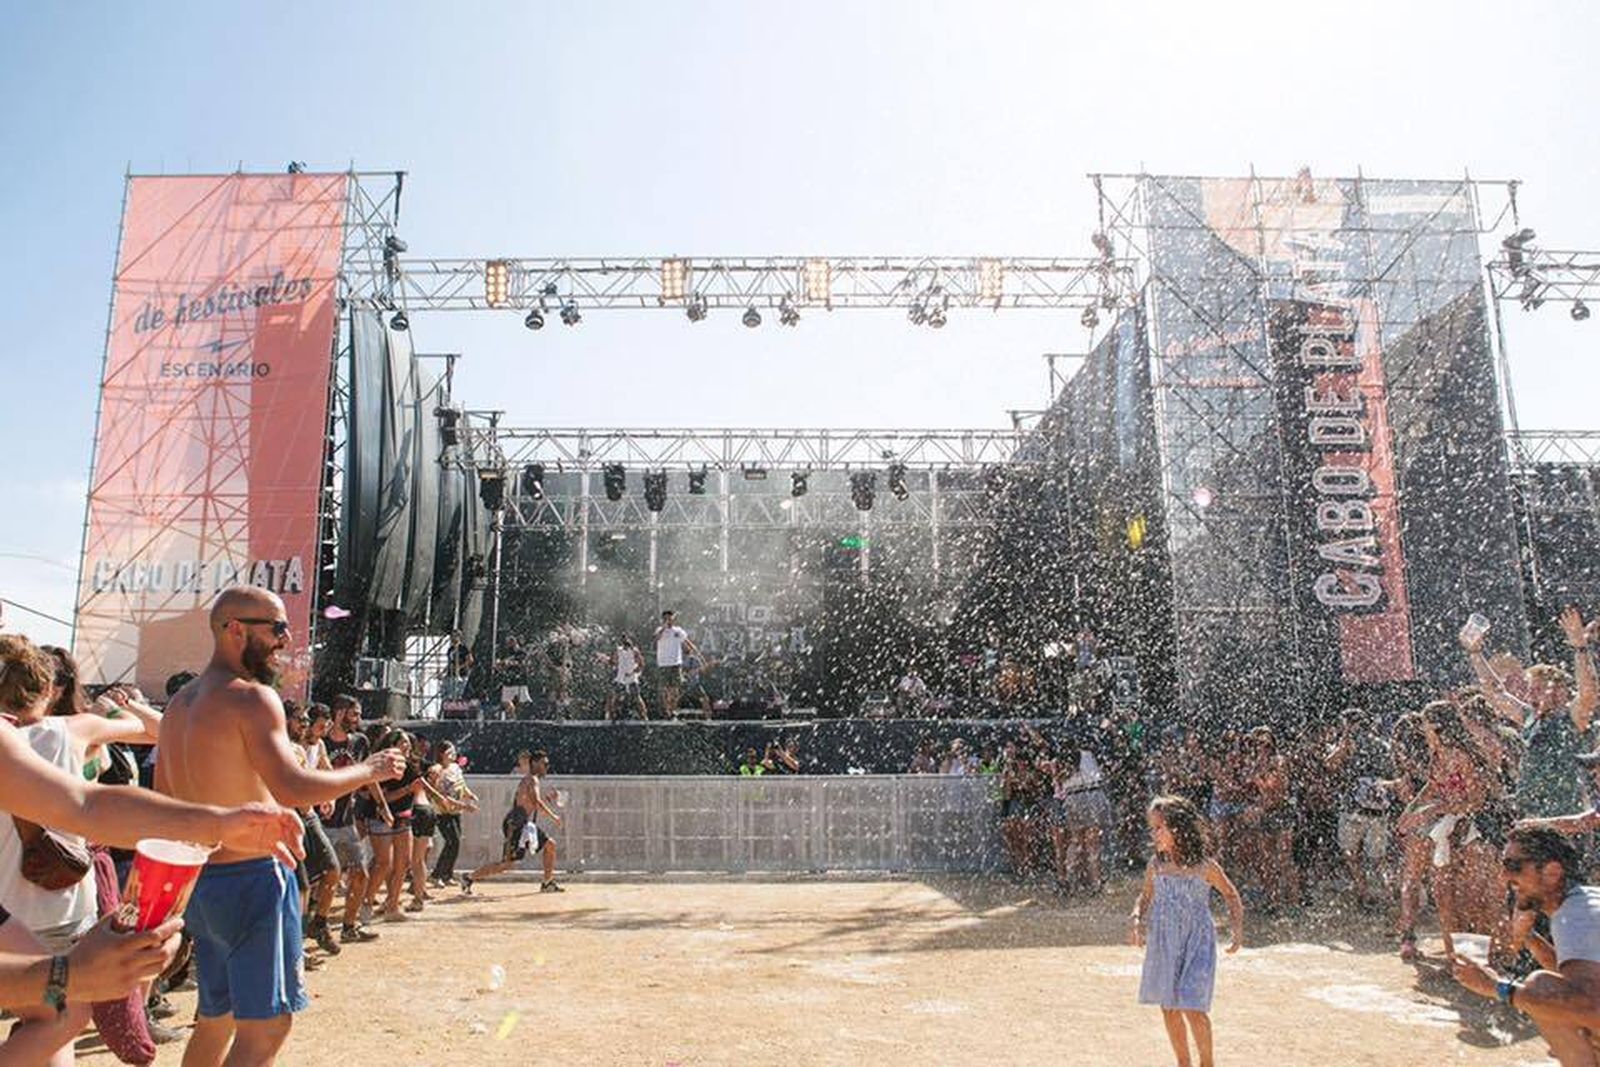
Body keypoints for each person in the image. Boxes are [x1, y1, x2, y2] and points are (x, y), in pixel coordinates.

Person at [0, 633, 305, 1065]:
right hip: (56, 909)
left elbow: (84, 805)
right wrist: (72, 973)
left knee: (60, 1007)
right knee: (62, 1001)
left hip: (28, 909)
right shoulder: (69, 728)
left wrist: (218, 823)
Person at [154, 586, 405, 1066]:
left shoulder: (180, 704)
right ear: (234, 629)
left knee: (216, 1020)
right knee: (267, 1029)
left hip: (201, 883)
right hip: (251, 881)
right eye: (277, 628)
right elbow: (292, 786)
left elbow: (170, 805)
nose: (287, 639)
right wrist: (369, 770)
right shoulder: (252, 699)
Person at [1451, 825, 1600, 1066]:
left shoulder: (1575, 916)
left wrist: (1497, 987)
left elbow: (1593, 1006)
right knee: (1547, 995)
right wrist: (1528, 937)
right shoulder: (1582, 904)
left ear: (1552, 872)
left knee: (1540, 988)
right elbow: (1577, 978)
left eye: (1514, 867)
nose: (1504, 876)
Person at [1131, 795, 1245, 1067]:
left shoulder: (1205, 867)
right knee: (1168, 1007)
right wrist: (1136, 918)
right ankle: (1184, 1063)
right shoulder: (1156, 866)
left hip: (1196, 943)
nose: (1154, 834)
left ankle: (1208, 1064)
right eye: (1153, 828)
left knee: (1193, 1007)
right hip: (1164, 942)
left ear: (1178, 829)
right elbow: (1144, 898)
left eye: (1160, 827)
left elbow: (1231, 895)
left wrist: (1236, 930)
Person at [1466, 605, 1598, 818]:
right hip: (1530, 817)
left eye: (1537, 690)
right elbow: (1494, 693)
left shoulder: (1571, 718)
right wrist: (1475, 653)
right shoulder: (1530, 718)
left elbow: (1589, 693)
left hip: (1565, 819)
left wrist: (1580, 648)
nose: (1530, 696)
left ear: (1558, 691)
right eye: (1530, 690)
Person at [320, 695, 389, 944]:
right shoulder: (320, 741)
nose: (358, 719)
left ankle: (349, 927)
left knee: (360, 874)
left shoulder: (360, 742)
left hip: (346, 821)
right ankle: (319, 925)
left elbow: (368, 776)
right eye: (353, 714)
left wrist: (382, 805)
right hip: (321, 822)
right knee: (327, 878)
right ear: (339, 714)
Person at [462, 750, 564, 894]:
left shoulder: (531, 780)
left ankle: (548, 882)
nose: (547, 767)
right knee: (506, 864)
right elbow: (535, 802)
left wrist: (548, 800)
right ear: (535, 763)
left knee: (550, 844)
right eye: (544, 764)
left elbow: (532, 804)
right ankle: (469, 877)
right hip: (515, 824)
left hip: (523, 824)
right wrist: (554, 816)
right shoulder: (532, 779)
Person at [429, 741, 478, 887]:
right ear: (442, 754)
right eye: (451, 751)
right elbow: (441, 795)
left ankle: (447, 875)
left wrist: (470, 795)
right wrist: (464, 805)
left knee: (455, 844)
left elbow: (461, 785)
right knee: (452, 842)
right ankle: (436, 875)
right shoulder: (437, 770)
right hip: (442, 812)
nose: (454, 754)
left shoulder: (456, 767)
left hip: (455, 811)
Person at [654, 611, 702, 716]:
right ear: (663, 620)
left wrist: (694, 649)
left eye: (670, 618)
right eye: (666, 618)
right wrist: (664, 627)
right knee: (666, 688)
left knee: (675, 689)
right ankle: (667, 710)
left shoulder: (678, 630)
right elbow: (657, 638)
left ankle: (673, 709)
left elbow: (686, 641)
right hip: (663, 663)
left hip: (676, 663)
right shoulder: (659, 630)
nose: (668, 620)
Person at [607, 634, 648, 721]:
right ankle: (612, 717)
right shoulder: (618, 650)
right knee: (616, 697)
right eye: (624, 640)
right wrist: (613, 662)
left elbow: (642, 664)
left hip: (631, 678)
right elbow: (612, 662)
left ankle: (644, 717)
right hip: (620, 678)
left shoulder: (635, 651)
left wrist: (633, 672)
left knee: (637, 697)